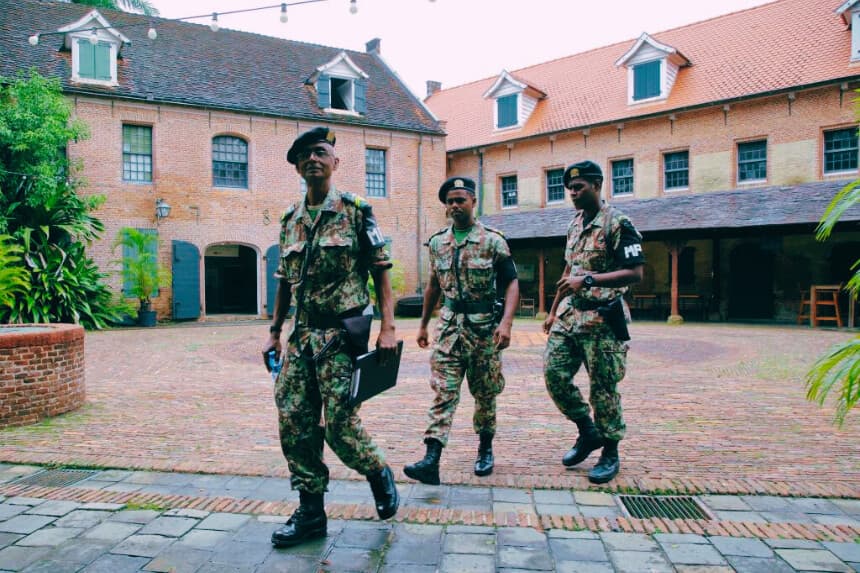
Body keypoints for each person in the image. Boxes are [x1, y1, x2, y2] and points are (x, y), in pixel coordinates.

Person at [263, 127, 399, 548]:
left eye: (320, 152)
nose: (312, 160)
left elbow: (381, 271)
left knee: (340, 426)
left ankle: (377, 470)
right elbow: (285, 281)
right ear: (298, 168)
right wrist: (274, 333)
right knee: (295, 421)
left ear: (335, 162)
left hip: (342, 334)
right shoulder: (290, 220)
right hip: (302, 337)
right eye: (304, 156)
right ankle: (310, 514)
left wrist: (389, 328)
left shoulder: (357, 211)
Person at [404, 176, 519, 485]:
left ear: (473, 202)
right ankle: (431, 458)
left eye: (460, 199)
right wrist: (424, 324)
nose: (454, 205)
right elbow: (432, 287)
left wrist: (506, 322)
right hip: (449, 329)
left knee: (485, 394)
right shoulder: (438, 242)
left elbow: (511, 282)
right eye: (450, 201)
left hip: (484, 330)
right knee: (443, 391)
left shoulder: (493, 240)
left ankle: (485, 449)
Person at [543, 160, 644, 484]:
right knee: (554, 375)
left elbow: (635, 273)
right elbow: (568, 271)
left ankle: (610, 450)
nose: (573, 193)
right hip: (571, 316)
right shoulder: (574, 224)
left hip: (603, 318)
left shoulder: (619, 223)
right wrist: (553, 308)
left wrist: (589, 280)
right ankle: (588, 432)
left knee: (603, 388)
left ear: (597, 185)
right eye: (570, 188)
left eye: (579, 187)